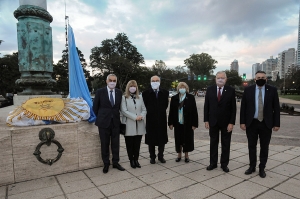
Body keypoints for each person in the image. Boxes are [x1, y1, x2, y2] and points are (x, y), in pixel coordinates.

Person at [240, 70, 280, 178]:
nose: (261, 79)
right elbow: (243, 107)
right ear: (255, 79)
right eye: (258, 78)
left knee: (264, 146)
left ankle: (262, 168)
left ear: (266, 79)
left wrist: (277, 123)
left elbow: (276, 108)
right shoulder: (248, 90)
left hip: (266, 123)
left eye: (263, 77)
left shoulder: (272, 90)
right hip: (251, 123)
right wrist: (242, 122)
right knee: (251, 146)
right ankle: (252, 166)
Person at [204, 71, 236, 172]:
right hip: (213, 121)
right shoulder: (210, 90)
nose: (220, 79)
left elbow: (233, 108)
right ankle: (213, 163)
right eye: (218, 78)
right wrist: (206, 120)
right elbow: (206, 106)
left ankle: (224, 164)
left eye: (222, 78)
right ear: (215, 79)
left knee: (226, 144)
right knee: (213, 143)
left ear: (226, 79)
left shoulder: (230, 90)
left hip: (226, 123)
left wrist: (231, 122)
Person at [93, 74, 125, 173]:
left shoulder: (119, 92)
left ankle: (115, 162)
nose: (112, 82)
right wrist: (103, 116)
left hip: (115, 122)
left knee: (116, 144)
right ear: (106, 81)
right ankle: (106, 163)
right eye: (110, 80)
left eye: (114, 81)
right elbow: (95, 107)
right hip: (103, 123)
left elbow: (120, 107)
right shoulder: (100, 92)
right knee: (105, 144)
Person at [168, 82, 198, 163]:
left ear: (186, 88)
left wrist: (194, 124)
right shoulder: (174, 98)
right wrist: (170, 123)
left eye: (183, 87)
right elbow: (171, 111)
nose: (182, 88)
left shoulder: (191, 97)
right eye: (180, 87)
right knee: (178, 139)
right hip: (177, 123)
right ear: (178, 88)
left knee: (187, 139)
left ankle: (186, 155)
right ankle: (179, 154)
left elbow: (194, 111)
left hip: (188, 123)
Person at [142, 75, 169, 164]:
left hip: (161, 118)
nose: (155, 82)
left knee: (162, 139)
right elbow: (144, 105)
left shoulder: (165, 92)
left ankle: (161, 156)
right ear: (150, 82)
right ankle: (152, 157)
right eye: (153, 81)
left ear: (160, 82)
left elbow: (165, 105)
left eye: (157, 80)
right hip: (150, 119)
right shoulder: (145, 93)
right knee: (151, 139)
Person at [121, 80, 147, 169]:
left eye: (134, 86)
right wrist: (135, 117)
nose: (133, 88)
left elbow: (144, 109)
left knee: (137, 144)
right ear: (128, 87)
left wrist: (141, 116)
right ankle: (131, 160)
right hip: (129, 124)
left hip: (139, 124)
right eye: (131, 86)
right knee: (129, 144)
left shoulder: (140, 97)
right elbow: (124, 111)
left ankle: (136, 159)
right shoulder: (124, 98)